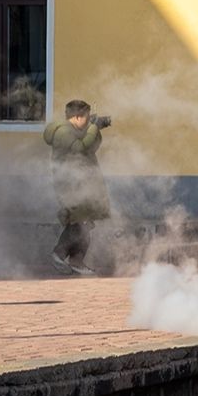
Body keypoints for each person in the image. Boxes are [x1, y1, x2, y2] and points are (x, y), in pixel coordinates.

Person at [44, 100, 111, 275]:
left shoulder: (76, 132)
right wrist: (93, 128)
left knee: (86, 223)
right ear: (77, 117)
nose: (89, 121)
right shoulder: (63, 132)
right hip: (69, 185)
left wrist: (96, 130)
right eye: (87, 118)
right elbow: (80, 149)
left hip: (82, 183)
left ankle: (76, 260)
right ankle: (58, 254)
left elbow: (91, 148)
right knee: (77, 222)